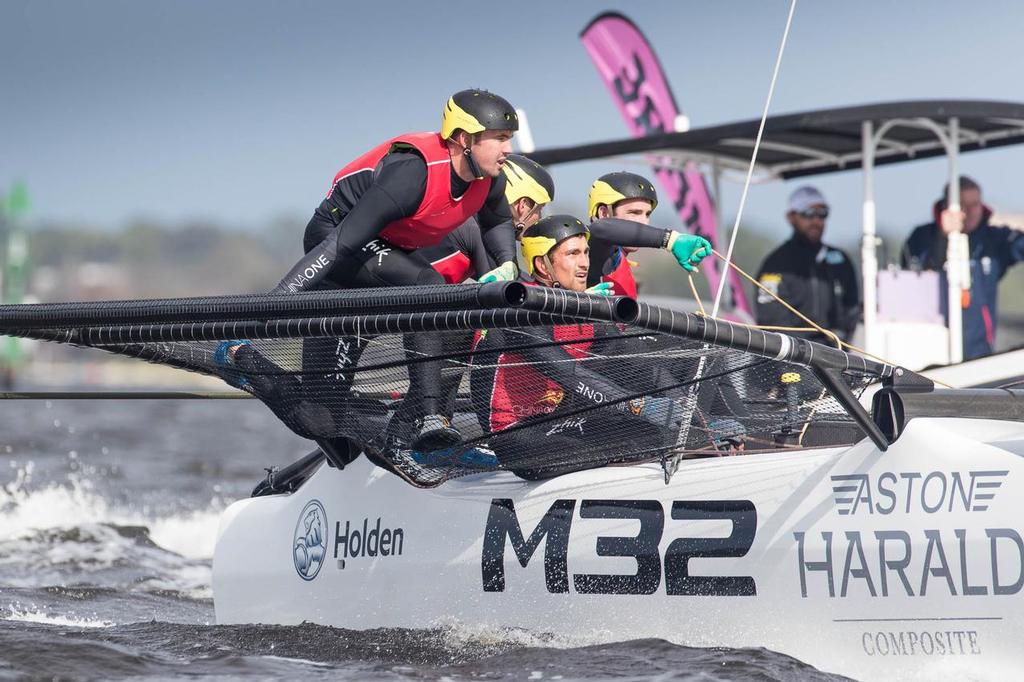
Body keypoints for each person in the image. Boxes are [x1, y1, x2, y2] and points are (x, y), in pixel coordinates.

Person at [267, 89, 522, 452]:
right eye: (499, 138)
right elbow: (339, 243)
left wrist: (507, 263)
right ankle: (430, 417)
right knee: (428, 285)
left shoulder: (491, 179)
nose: (508, 149)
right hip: (338, 243)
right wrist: (280, 298)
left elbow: (497, 222)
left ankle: (394, 433)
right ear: (464, 139)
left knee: (320, 419)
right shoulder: (413, 172)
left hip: (383, 254)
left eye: (508, 139)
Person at [470, 214, 687, 479]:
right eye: (572, 254)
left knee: (659, 435)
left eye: (585, 252)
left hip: (561, 422)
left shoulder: (584, 309)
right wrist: (638, 406)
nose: (584, 262)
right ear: (542, 265)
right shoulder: (519, 310)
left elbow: (639, 365)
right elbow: (568, 373)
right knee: (606, 449)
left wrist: (688, 411)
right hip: (515, 435)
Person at [902, 176, 1024, 360]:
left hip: (982, 353)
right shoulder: (922, 237)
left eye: (974, 204)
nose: (969, 211)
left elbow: (1019, 245)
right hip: (931, 352)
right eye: (962, 205)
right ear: (947, 206)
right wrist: (943, 237)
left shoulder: (993, 239)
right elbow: (917, 273)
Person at [418, 153, 555, 283]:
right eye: (539, 209)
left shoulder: (468, 217)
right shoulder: (475, 228)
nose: (540, 218)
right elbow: (508, 286)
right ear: (523, 205)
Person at [755, 186, 860, 346]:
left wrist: (839, 339)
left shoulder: (841, 261)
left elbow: (852, 308)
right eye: (808, 213)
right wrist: (805, 350)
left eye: (822, 213)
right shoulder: (775, 264)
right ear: (791, 217)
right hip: (793, 359)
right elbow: (770, 318)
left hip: (836, 355)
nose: (816, 221)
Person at [586, 171, 712, 297]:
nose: (644, 222)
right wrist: (670, 239)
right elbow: (599, 228)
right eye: (634, 212)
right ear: (603, 213)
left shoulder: (620, 261)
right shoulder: (590, 247)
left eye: (647, 214)